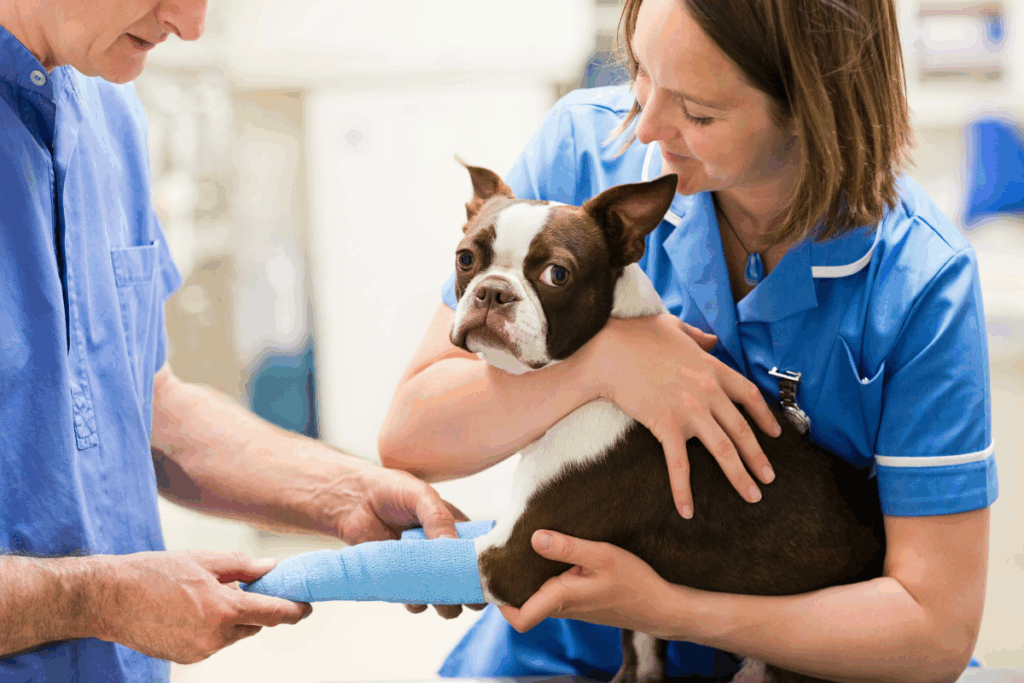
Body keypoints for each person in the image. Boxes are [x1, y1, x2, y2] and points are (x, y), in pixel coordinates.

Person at [377, 0, 998, 680]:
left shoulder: (918, 279)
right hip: (560, 651)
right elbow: (413, 434)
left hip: (807, 657)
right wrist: (606, 362)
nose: (644, 126)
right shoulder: (588, 149)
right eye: (641, 71)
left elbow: (933, 630)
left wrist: (671, 608)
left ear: (809, 107)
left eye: (697, 112)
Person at [0, 1, 470, 680]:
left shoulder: (107, 111)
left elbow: (141, 402)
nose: (190, 25)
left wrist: (344, 492)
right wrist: (93, 598)